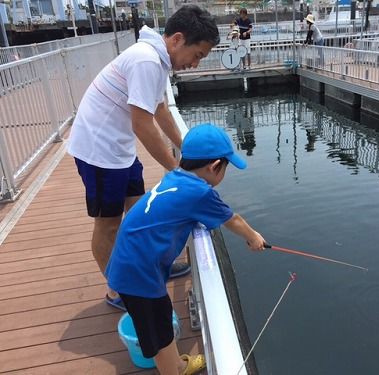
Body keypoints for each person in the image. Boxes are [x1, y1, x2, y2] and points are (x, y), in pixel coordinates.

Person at [67, 5, 220, 312]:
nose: (195, 63)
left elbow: (160, 108)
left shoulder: (159, 60)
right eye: (198, 55)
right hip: (98, 151)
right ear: (177, 39)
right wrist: (178, 170)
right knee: (108, 225)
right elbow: (142, 123)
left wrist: (187, 149)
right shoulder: (146, 60)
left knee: (139, 212)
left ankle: (150, 268)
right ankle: (117, 290)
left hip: (119, 149)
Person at [105, 123, 267, 374]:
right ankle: (174, 370)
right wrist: (253, 237)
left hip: (130, 264)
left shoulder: (175, 177)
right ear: (214, 167)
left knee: (161, 328)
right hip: (139, 276)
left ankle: (178, 364)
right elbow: (232, 220)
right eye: (225, 168)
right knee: (158, 339)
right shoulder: (200, 193)